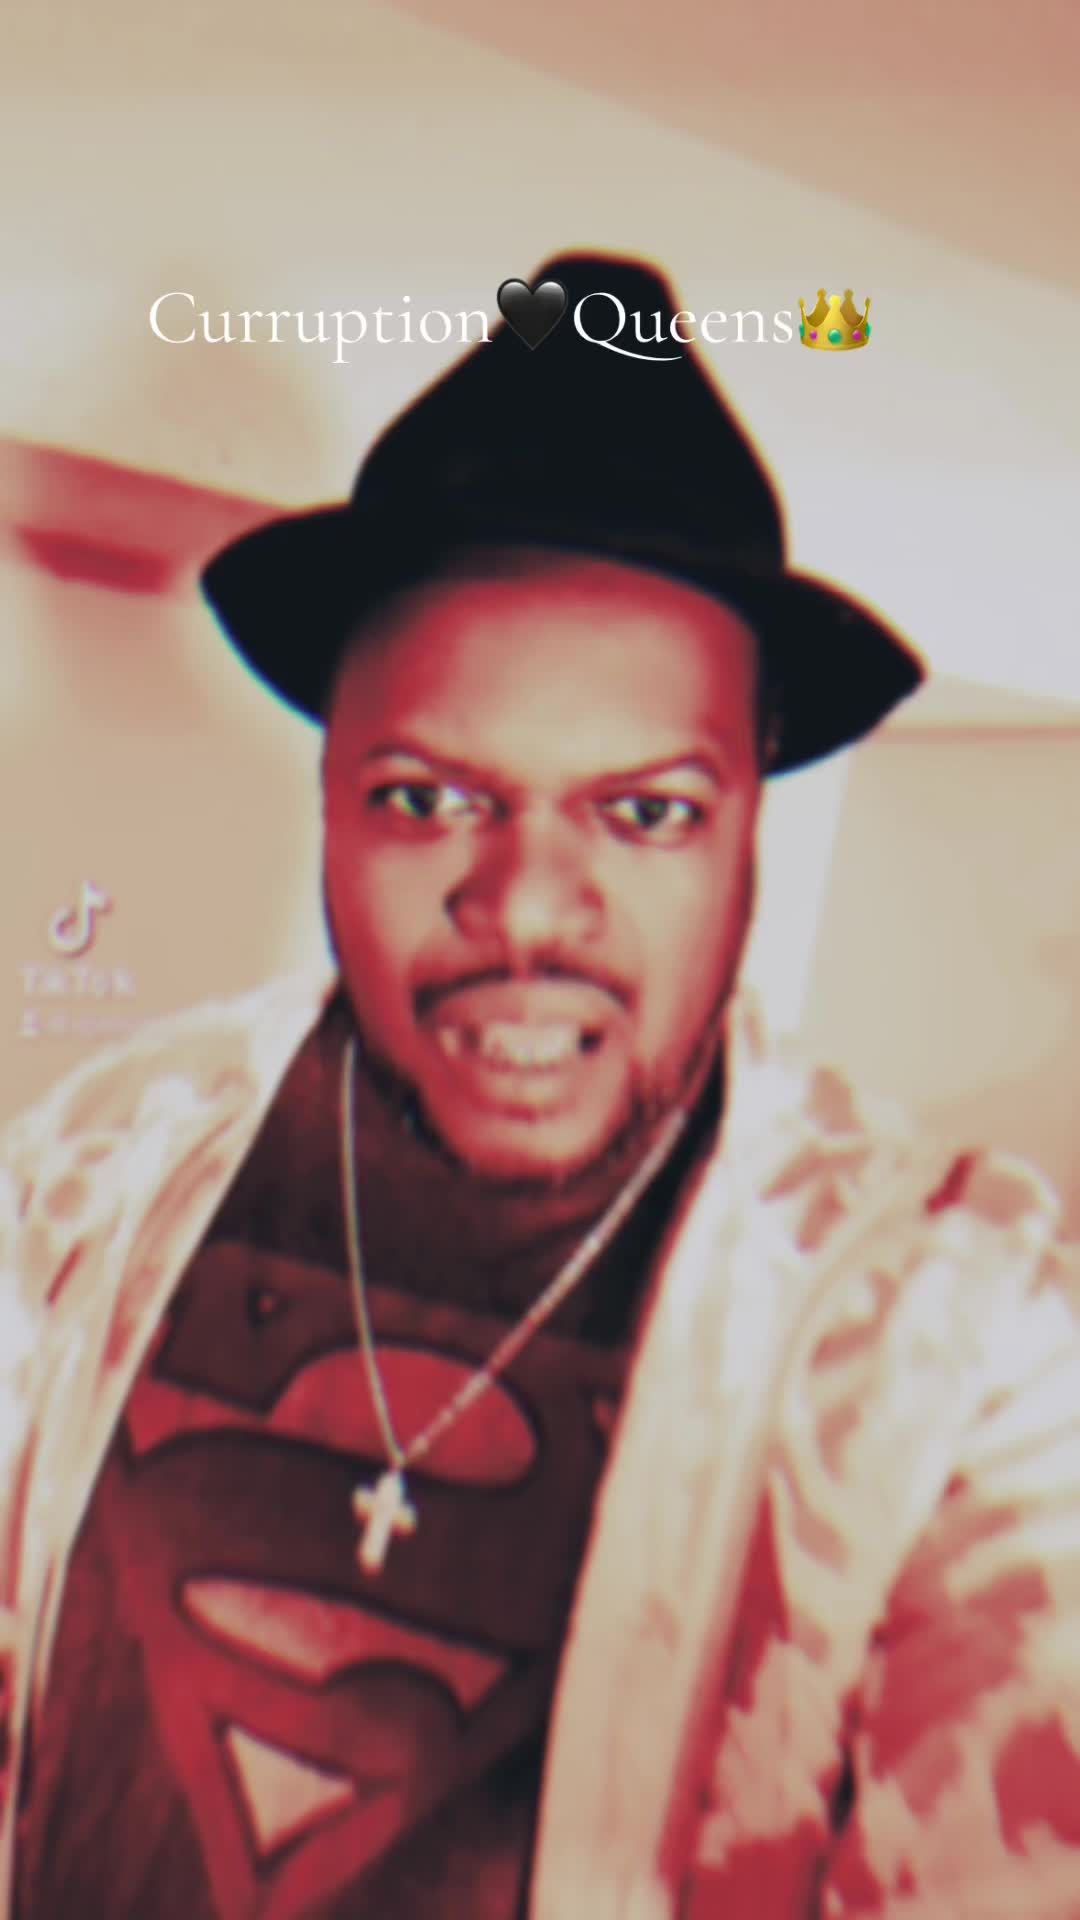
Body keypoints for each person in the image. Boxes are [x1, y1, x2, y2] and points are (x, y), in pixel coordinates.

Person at [1, 250, 1079, 1920]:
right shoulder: (99, 1169)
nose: (523, 910)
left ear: (749, 832)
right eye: (430, 799)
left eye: (644, 814)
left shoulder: (955, 1340)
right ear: (330, 797)